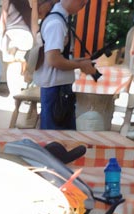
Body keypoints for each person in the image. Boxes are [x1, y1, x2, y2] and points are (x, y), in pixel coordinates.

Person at [32, 0, 96, 130]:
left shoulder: (60, 19)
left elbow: (59, 56)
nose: (84, 2)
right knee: (54, 139)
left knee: (63, 138)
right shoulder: (56, 23)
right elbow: (53, 60)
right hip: (55, 88)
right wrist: (80, 65)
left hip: (58, 86)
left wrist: (80, 62)